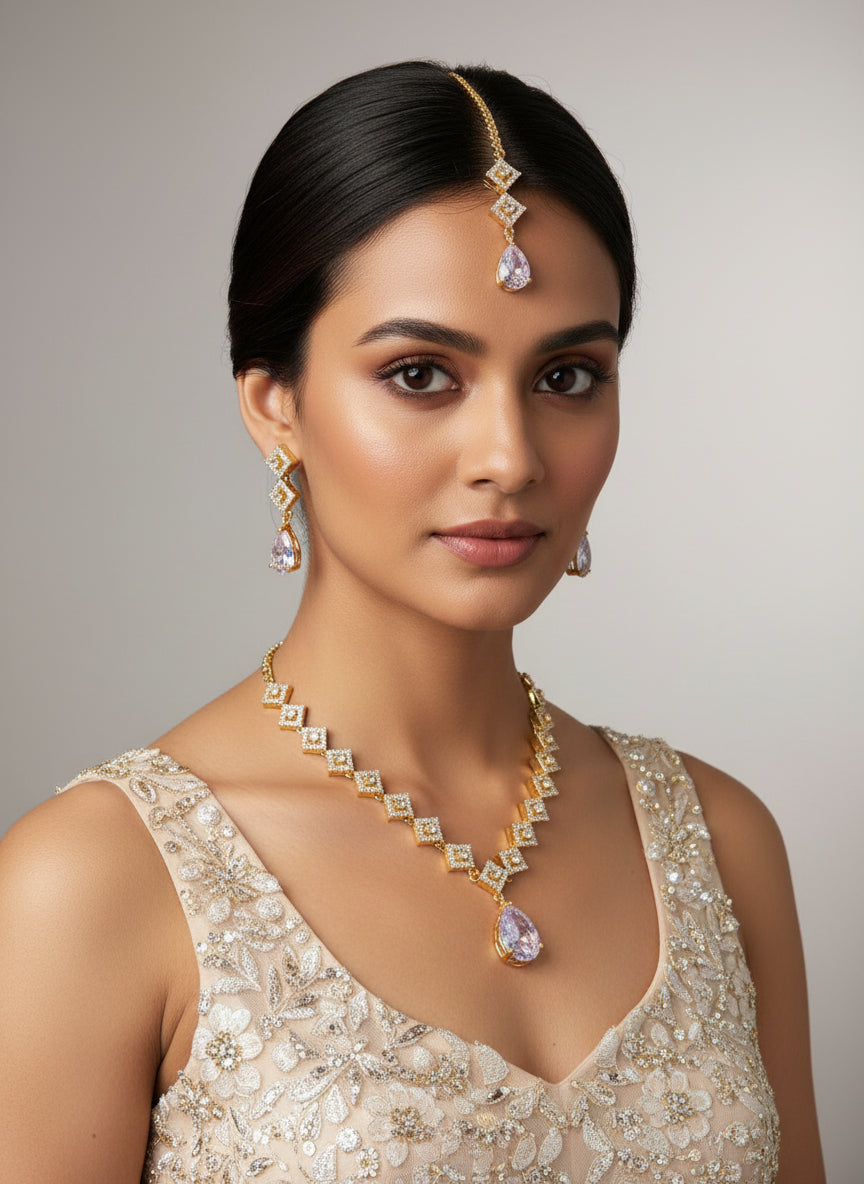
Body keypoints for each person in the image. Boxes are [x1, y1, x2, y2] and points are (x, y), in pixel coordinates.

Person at [0, 61, 824, 1183]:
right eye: (423, 373)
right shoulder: (93, 880)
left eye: (569, 375)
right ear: (275, 403)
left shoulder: (721, 842)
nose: (511, 457)